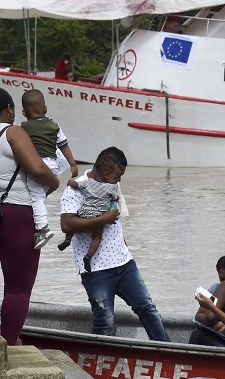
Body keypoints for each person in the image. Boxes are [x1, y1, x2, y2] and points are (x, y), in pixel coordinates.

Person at [0, 88, 59, 345]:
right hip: (15, 219)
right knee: (19, 289)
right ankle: (8, 345)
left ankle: (10, 337)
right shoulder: (13, 132)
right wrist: (54, 183)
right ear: (9, 110)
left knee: (12, 283)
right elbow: (38, 168)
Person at [60, 146, 170, 341]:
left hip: (124, 262)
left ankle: (169, 353)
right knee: (105, 320)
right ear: (106, 172)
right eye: (118, 176)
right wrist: (103, 219)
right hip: (95, 269)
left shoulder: (111, 183)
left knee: (148, 309)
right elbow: (67, 224)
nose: (119, 181)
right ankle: (96, 363)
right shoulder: (76, 188)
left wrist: (125, 247)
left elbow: (117, 221)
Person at [19, 89, 77, 249]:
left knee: (36, 196)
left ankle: (42, 229)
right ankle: (40, 215)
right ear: (45, 109)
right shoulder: (54, 125)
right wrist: (73, 164)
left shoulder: (24, 127)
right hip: (53, 166)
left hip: (37, 166)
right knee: (41, 194)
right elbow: (64, 145)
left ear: (24, 112)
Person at [58, 160, 121, 272]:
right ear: (106, 175)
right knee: (97, 237)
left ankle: (68, 239)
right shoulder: (110, 187)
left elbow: (75, 184)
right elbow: (115, 198)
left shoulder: (88, 182)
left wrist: (70, 181)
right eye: (116, 178)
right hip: (97, 215)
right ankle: (88, 257)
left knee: (75, 217)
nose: (118, 180)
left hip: (85, 211)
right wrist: (115, 199)